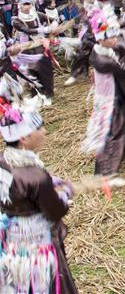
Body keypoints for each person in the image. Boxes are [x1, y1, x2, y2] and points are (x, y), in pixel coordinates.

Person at [0, 100, 78, 293]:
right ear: (25, 138)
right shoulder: (35, 176)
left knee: (16, 282)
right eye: (39, 128)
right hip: (38, 244)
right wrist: (64, 191)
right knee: (43, 282)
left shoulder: (4, 162)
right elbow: (55, 211)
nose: (44, 131)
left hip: (11, 240)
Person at [81, 7, 125, 176]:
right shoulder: (101, 59)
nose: (113, 39)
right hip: (111, 100)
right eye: (109, 37)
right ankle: (105, 171)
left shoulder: (111, 48)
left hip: (122, 92)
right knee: (113, 132)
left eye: (114, 35)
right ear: (100, 39)